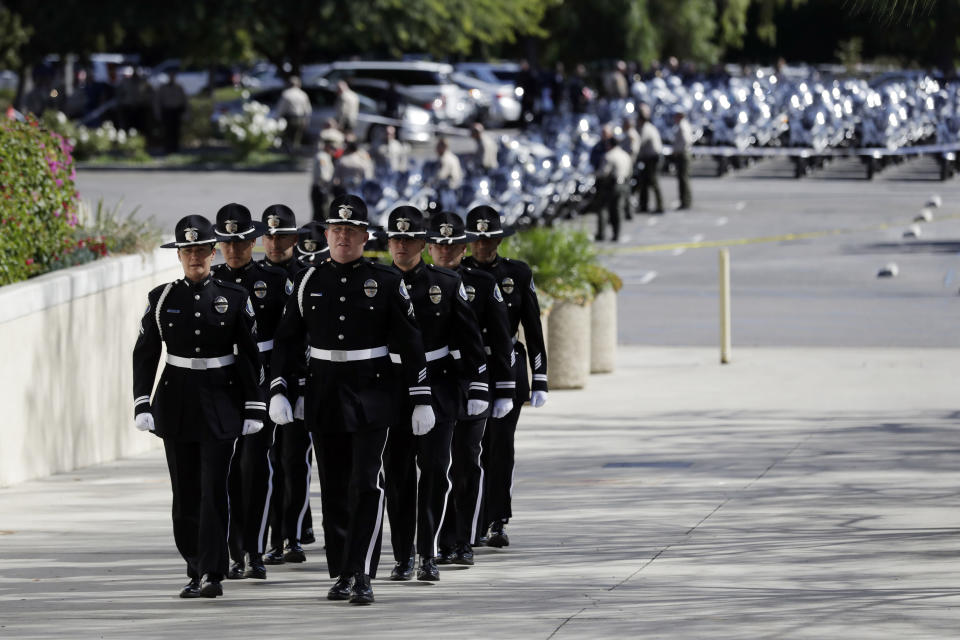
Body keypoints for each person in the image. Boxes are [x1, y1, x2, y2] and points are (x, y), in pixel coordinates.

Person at [269, 194, 436, 605]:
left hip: (372, 392)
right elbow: (288, 342)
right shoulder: (309, 280)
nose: (343, 237)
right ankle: (341, 571)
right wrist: (279, 387)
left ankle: (362, 571)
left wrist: (421, 396)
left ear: (365, 236)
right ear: (327, 234)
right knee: (334, 488)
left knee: (366, 483)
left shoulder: (387, 281)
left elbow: (411, 343)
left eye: (351, 231)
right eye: (336, 230)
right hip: (324, 391)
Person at [132, 215, 265, 598]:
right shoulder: (162, 299)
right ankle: (193, 565)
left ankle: (213, 572)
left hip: (221, 400)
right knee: (185, 491)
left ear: (212, 251)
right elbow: (145, 352)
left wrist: (254, 404)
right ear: (179, 255)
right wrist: (143, 401)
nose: (194, 257)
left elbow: (250, 356)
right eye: (186, 250)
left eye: (200, 250)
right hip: (176, 402)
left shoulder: (235, 297)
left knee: (214, 489)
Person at [380, 206, 489, 583]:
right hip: (392, 389)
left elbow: (469, 339)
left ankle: (427, 553)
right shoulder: (376, 281)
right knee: (396, 477)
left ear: (423, 245)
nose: (401, 247)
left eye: (409, 240)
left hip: (439, 388)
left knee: (435, 474)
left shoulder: (443, 282)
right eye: (396, 239)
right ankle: (402, 556)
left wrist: (475, 385)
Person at [208, 204, 291, 582]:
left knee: (255, 469)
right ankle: (230, 550)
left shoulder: (273, 280)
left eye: (241, 241)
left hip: (260, 384)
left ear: (254, 241)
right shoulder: (209, 283)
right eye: (226, 242)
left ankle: (255, 550)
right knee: (224, 474)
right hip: (222, 386)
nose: (233, 249)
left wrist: (280, 386)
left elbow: (290, 338)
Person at [427, 211, 515, 566]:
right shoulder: (417, 283)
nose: (445, 253)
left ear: (463, 248)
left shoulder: (479, 283)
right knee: (434, 467)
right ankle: (433, 541)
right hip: (432, 385)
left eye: (452, 247)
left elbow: (500, 337)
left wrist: (503, 389)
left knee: (466, 462)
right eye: (439, 246)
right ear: (429, 247)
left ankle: (462, 539)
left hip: (471, 383)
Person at [462, 205, 548, 547]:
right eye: (477, 240)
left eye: (489, 239)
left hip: (507, 368)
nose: (483, 246)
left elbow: (533, 326)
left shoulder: (517, 273)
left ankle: (497, 517)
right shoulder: (457, 273)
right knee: (470, 449)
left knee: (500, 448)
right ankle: (472, 518)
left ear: (498, 239)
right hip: (467, 367)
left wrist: (541, 376)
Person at [256, 204, 316, 566]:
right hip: (261, 378)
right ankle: (263, 536)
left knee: (295, 461)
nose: (275, 243)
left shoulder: (310, 275)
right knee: (265, 463)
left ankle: (290, 535)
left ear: (295, 238)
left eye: (282, 236)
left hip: (301, 378)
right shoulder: (251, 276)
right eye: (270, 236)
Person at [595, 132, 633, 242]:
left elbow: (603, 173)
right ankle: (616, 234)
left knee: (603, 208)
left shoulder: (609, 156)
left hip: (611, 185)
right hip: (624, 184)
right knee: (618, 210)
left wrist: (594, 174)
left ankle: (601, 233)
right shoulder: (625, 155)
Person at [636, 104, 664, 214]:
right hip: (648, 158)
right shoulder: (648, 127)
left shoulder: (646, 129)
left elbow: (639, 143)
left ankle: (660, 205)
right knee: (644, 182)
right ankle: (644, 204)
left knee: (653, 181)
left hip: (652, 158)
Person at [275, 76, 312, 151]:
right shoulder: (303, 94)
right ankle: (295, 152)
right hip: (300, 118)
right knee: (297, 138)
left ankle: (289, 152)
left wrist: (277, 118)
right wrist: (307, 120)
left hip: (290, 119)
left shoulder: (286, 94)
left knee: (288, 138)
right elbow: (308, 110)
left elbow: (281, 108)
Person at [155, 71, 187, 154]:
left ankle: (175, 147)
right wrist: (158, 113)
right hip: (167, 111)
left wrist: (185, 112)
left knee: (176, 130)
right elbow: (158, 101)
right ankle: (167, 148)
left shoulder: (179, 87)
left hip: (176, 111)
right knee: (167, 130)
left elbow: (184, 100)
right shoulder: (163, 87)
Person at [671, 107, 694, 210]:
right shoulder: (683, 125)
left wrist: (678, 150)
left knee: (683, 178)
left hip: (682, 154)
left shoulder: (682, 125)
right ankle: (685, 200)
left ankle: (685, 201)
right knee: (683, 178)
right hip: (683, 153)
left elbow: (685, 140)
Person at [311, 139, 336, 222]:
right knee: (321, 215)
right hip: (321, 189)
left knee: (319, 214)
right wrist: (333, 182)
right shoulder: (323, 157)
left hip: (321, 189)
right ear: (328, 147)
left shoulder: (325, 156)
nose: (334, 151)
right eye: (333, 149)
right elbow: (324, 175)